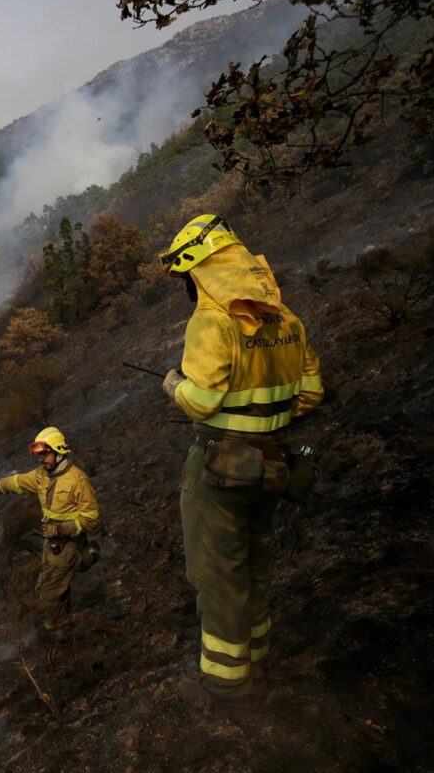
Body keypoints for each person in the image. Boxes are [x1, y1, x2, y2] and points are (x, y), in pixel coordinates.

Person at [157, 214, 323, 706]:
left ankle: (227, 684)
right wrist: (266, 418)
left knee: (218, 575)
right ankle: (258, 659)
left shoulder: (212, 321)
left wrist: (173, 385)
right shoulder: (286, 319)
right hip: (273, 466)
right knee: (254, 564)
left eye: (188, 277)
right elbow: (310, 393)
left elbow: (202, 401)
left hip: (221, 471)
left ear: (201, 271)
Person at [0, 426, 100, 641]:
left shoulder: (77, 480)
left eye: (45, 454)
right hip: (51, 545)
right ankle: (64, 623)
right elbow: (15, 482)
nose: (41, 460)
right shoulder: (41, 476)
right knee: (51, 588)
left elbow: (91, 519)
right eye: (39, 456)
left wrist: (60, 528)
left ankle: (60, 636)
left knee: (46, 596)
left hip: (69, 545)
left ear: (59, 452)